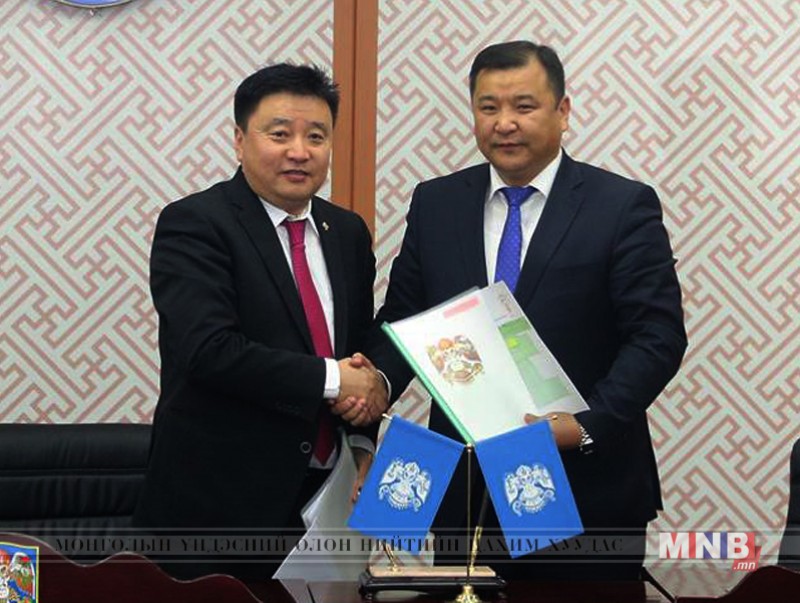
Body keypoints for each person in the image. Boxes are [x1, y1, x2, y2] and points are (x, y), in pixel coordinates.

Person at [367, 41, 687, 580]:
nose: (505, 123)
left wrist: (584, 426)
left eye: (524, 106)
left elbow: (657, 336)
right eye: (488, 107)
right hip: (469, 491)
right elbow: (404, 318)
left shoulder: (620, 205)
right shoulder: (436, 202)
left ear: (563, 111)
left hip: (584, 487)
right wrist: (375, 381)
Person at [133, 63, 388, 580]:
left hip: (324, 500)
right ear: (239, 140)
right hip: (217, 510)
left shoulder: (346, 232)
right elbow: (208, 351)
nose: (299, 151)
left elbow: (357, 348)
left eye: (316, 136)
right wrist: (337, 379)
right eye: (280, 134)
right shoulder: (195, 223)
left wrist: (362, 437)